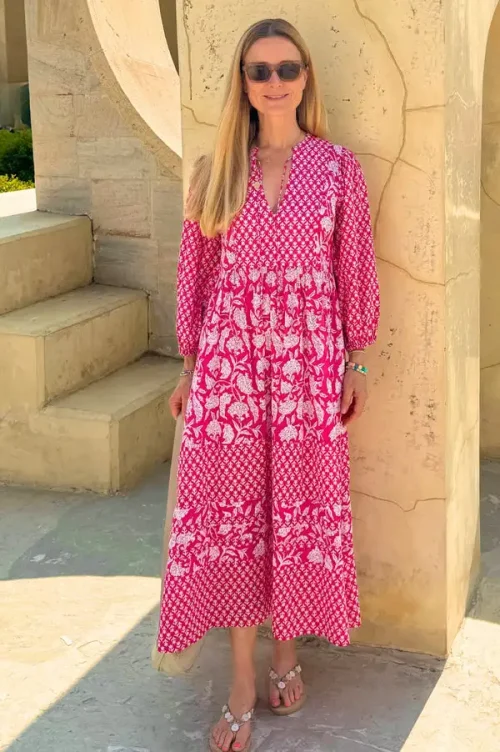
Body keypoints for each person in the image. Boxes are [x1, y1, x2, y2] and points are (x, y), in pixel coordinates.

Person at [156, 17, 380, 752]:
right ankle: (242, 680)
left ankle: (288, 652)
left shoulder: (337, 168)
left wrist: (355, 361)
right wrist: (190, 366)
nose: (275, 81)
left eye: (287, 68)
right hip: (230, 368)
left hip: (309, 366)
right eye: (260, 70)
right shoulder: (216, 169)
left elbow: (353, 271)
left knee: (294, 511)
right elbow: (197, 276)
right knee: (231, 517)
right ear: (244, 84)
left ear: (306, 77)